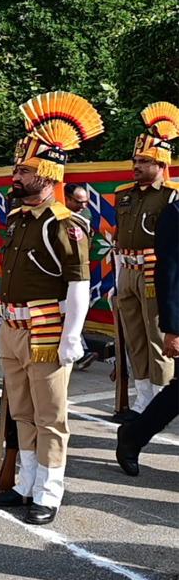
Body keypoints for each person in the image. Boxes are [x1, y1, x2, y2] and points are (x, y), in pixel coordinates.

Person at [0, 92, 101, 525]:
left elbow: (79, 283)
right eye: (18, 169)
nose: (17, 175)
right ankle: (26, 482)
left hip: (46, 330)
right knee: (22, 412)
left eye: (25, 170)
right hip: (12, 329)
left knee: (50, 416)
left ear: (48, 173)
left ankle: (49, 491)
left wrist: (72, 335)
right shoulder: (18, 218)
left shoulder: (65, 225)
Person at [112, 101, 179, 422]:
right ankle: (142, 400)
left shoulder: (171, 196)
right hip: (126, 270)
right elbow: (117, 238)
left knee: (157, 339)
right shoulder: (123, 193)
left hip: (155, 272)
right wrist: (117, 277)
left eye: (143, 160)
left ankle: (160, 406)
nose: (136, 165)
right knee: (133, 337)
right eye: (135, 159)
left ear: (161, 163)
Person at [117, 196, 179, 475]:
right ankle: (133, 436)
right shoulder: (176, 212)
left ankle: (133, 435)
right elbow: (170, 273)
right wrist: (173, 328)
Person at [64, 182, 98, 371]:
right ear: (67, 199)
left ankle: (80, 351)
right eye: (79, 202)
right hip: (57, 272)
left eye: (86, 202)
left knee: (74, 311)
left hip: (77, 268)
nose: (84, 206)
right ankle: (80, 352)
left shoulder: (84, 214)